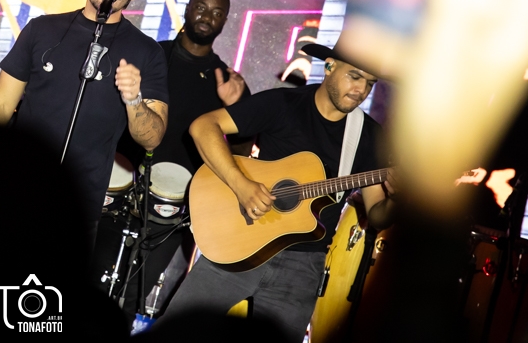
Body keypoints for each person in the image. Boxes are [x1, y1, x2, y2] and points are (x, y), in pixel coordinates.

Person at [156, 41, 396, 342]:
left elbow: (377, 215)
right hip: (241, 241)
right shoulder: (284, 103)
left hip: (302, 267)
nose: (361, 90)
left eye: (370, 83)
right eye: (355, 76)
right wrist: (241, 185)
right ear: (330, 66)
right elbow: (204, 126)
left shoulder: (369, 136)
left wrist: (397, 199)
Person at [0, 0, 169, 232]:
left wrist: (134, 99)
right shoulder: (41, 30)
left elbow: (152, 138)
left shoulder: (147, 52)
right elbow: (1, 106)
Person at [114, 0, 252, 315]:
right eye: (201, 8)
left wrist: (236, 109)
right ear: (188, 9)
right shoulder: (152, 56)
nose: (207, 16)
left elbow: (240, 155)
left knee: (131, 298)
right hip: (122, 190)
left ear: (224, 22)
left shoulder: (229, 82)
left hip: (175, 209)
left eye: (217, 12)